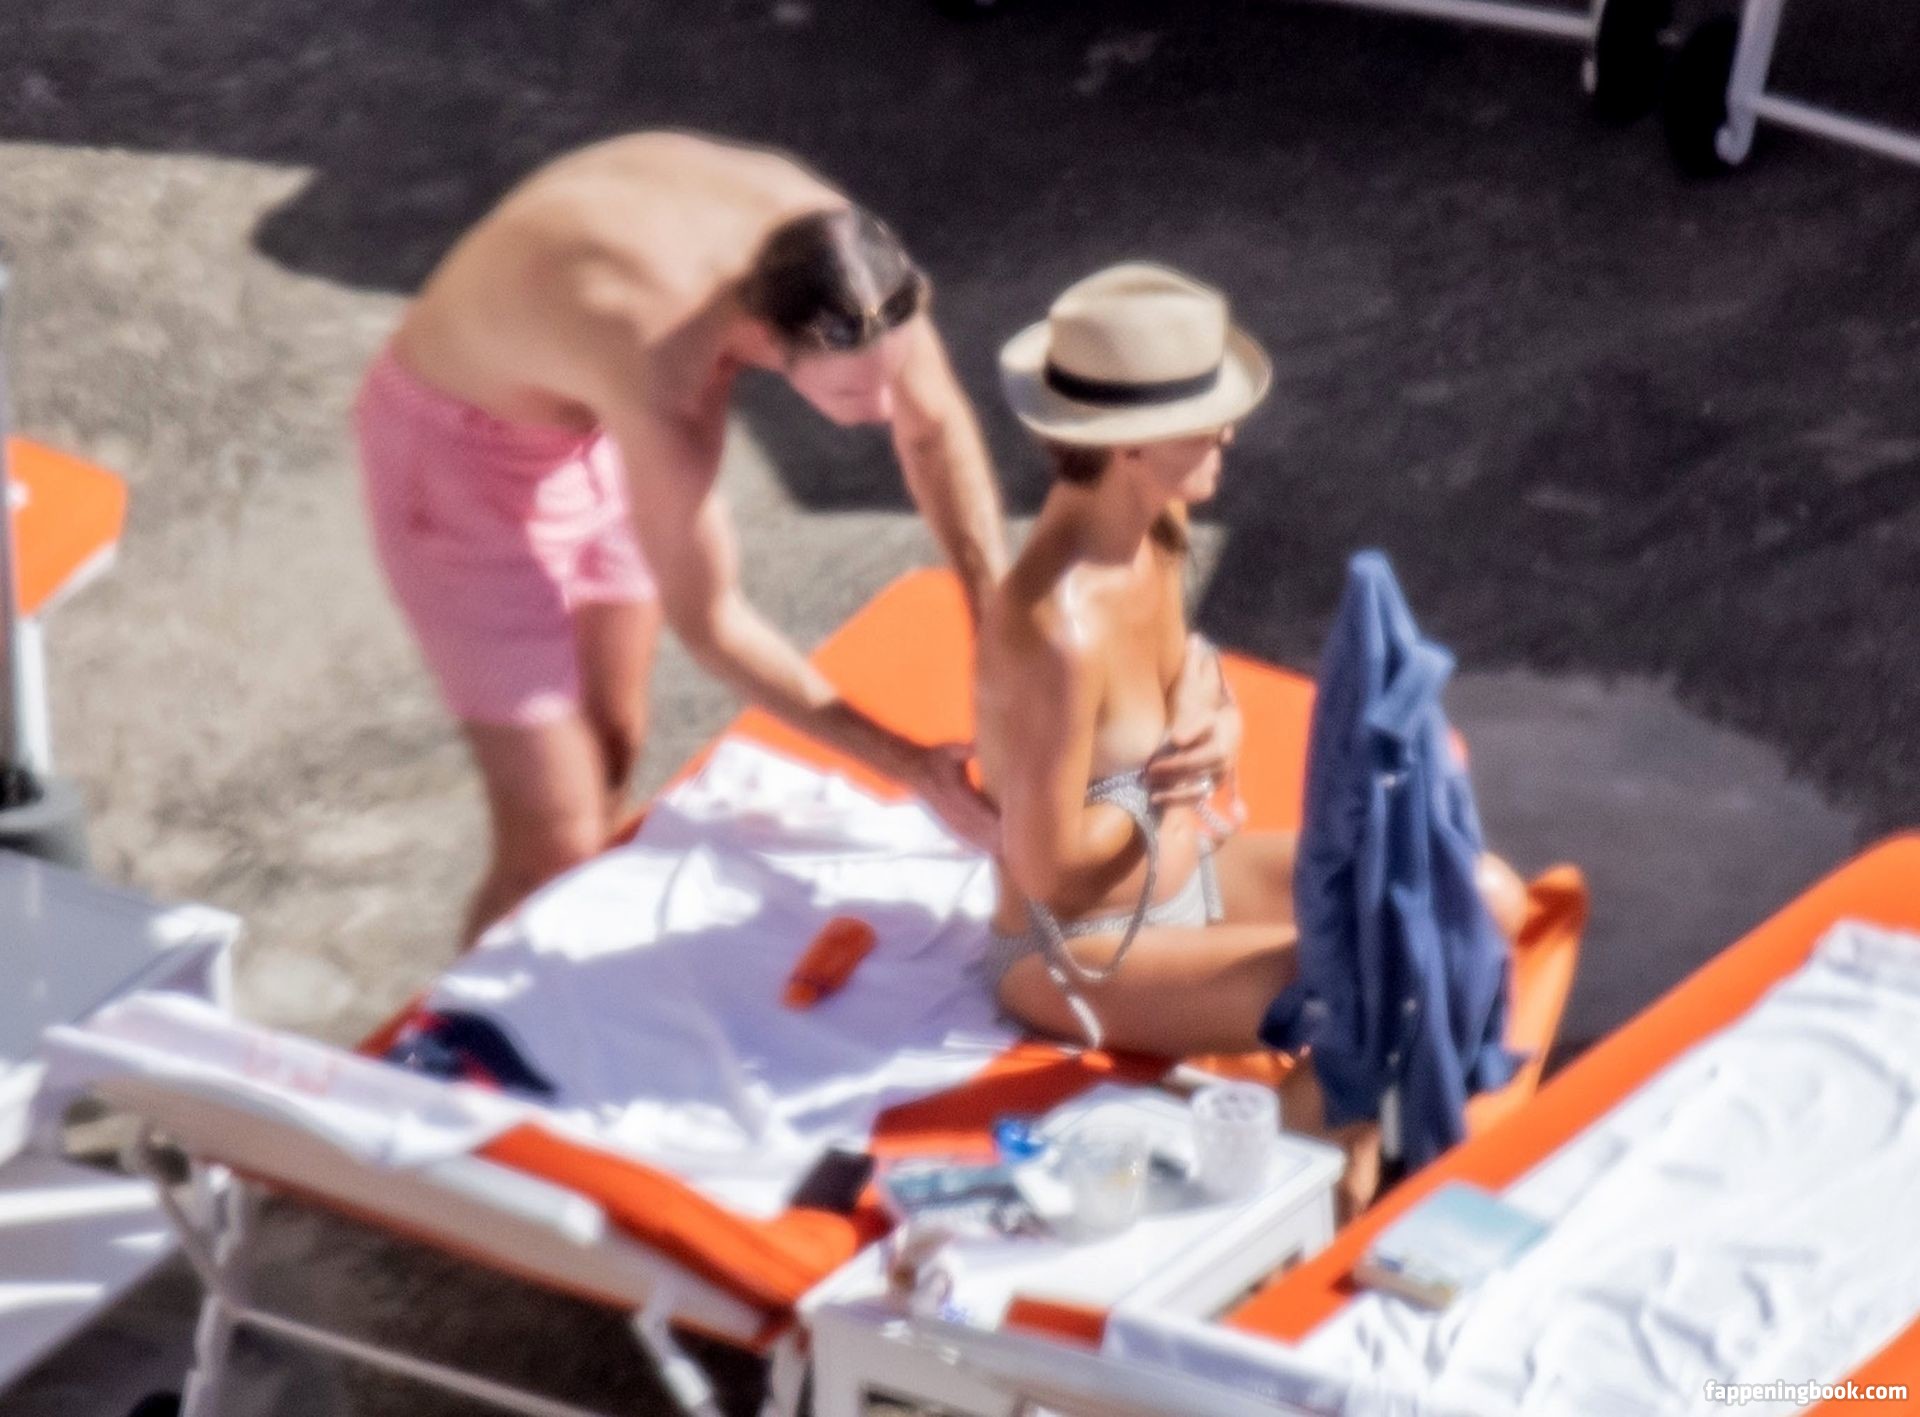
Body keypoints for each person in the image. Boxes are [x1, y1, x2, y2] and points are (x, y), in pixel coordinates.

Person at [355, 131, 1009, 946]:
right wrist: (914, 768)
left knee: (612, 747)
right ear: (765, 338)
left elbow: (934, 427)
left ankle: (568, 967)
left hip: (589, 414)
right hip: (458, 467)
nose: (882, 408)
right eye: (850, 394)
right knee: (553, 841)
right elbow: (713, 624)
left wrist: (999, 624)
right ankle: (471, 1017)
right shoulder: (666, 381)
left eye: (891, 375)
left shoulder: (844, 262)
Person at [973, 263, 1527, 1214]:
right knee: (1371, 980)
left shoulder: (1159, 522)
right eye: (1205, 420)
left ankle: (1330, 1174)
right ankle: (1285, 1223)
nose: (1228, 434)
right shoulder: (1055, 626)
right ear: (1130, 444)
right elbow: (1046, 866)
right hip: (1070, 948)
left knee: (1478, 898)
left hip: (1185, 877)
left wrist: (1219, 720)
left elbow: (1191, 680)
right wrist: (1172, 789)